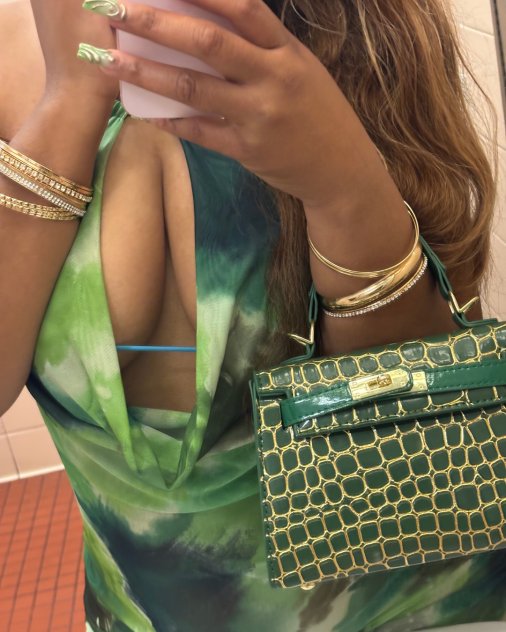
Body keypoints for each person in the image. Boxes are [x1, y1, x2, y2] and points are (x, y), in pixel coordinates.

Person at [0, 0, 504, 630]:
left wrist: (345, 187)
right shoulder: (14, 47)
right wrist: (69, 99)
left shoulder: (366, 27)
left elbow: (430, 396)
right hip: (137, 610)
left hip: (395, 602)